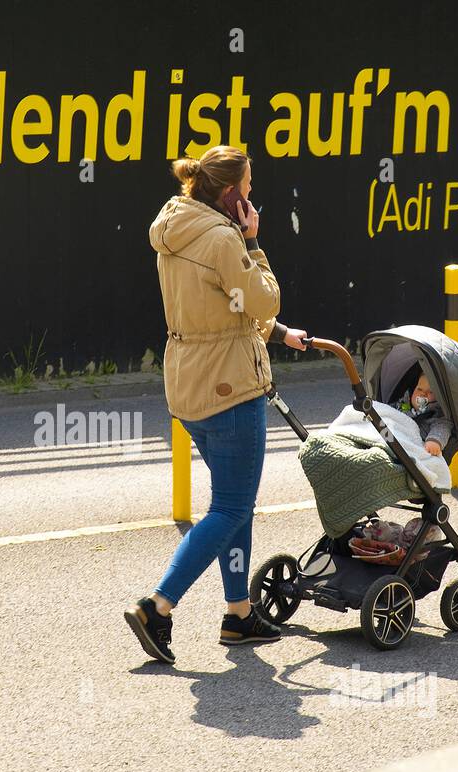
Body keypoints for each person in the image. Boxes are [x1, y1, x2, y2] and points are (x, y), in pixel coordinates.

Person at [124, 145, 309, 665]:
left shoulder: (174, 226)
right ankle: (158, 607)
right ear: (230, 195)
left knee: (235, 503)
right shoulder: (227, 238)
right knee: (229, 507)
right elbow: (261, 298)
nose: (253, 195)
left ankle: (238, 613)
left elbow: (216, 306)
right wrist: (255, 243)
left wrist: (278, 335)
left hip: (188, 384)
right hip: (231, 388)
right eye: (249, 187)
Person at [395, 373, 452, 457]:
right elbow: (387, 411)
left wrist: (434, 441)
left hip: (409, 447)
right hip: (391, 435)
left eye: (431, 392)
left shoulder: (437, 415)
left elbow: (442, 428)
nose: (423, 393)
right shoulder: (402, 404)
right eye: (419, 389)